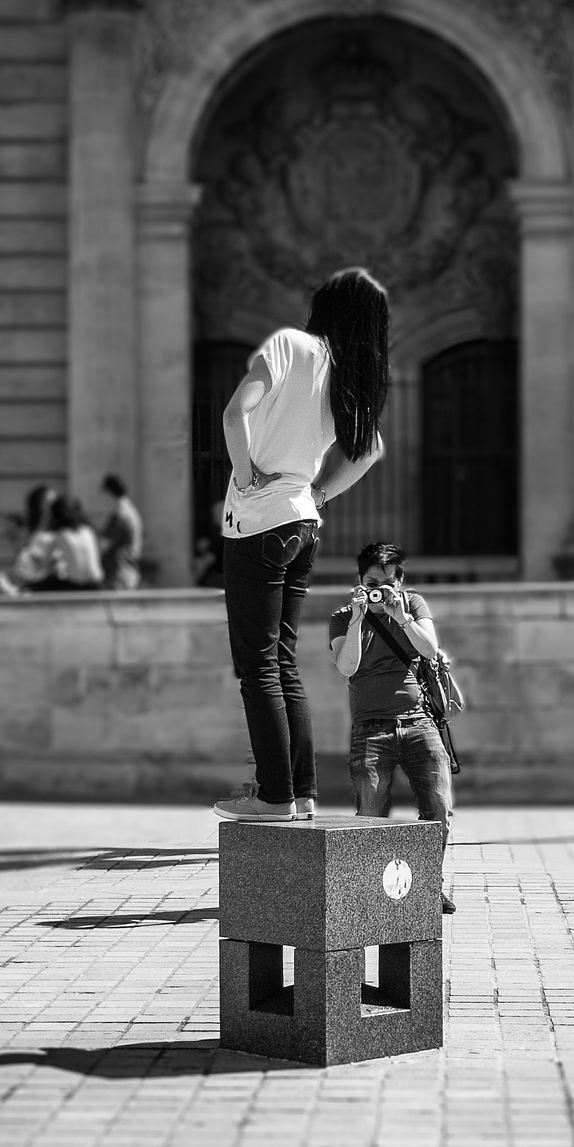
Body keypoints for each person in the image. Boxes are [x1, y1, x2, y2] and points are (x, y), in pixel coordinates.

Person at [212, 266, 390, 822]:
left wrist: (244, 476)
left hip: (261, 522)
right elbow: (370, 450)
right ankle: (300, 791)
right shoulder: (344, 372)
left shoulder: (292, 345)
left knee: (257, 666)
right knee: (282, 662)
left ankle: (273, 795)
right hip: (303, 523)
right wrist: (319, 493)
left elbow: (233, 414)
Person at [330, 542, 456, 914]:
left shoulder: (413, 605)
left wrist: (401, 617)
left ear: (400, 582)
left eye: (388, 582)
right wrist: (357, 618)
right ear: (359, 580)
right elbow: (347, 667)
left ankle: (429, 886)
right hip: (371, 729)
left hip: (419, 722)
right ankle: (375, 892)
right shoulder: (342, 616)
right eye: (372, 581)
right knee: (370, 814)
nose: (380, 589)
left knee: (438, 809)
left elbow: (430, 649)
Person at [0, 484, 57, 595]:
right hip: (27, 577)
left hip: (43, 581)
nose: (50, 508)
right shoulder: (30, 531)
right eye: (47, 503)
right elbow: (21, 560)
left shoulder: (57, 532)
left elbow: (52, 565)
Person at [39, 495, 104, 590]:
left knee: (46, 583)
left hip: (77, 586)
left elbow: (45, 562)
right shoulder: (88, 531)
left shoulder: (60, 535)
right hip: (98, 583)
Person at [99, 473, 143, 591]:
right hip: (128, 570)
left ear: (109, 493)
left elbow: (104, 544)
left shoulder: (120, 514)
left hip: (118, 573)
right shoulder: (131, 509)